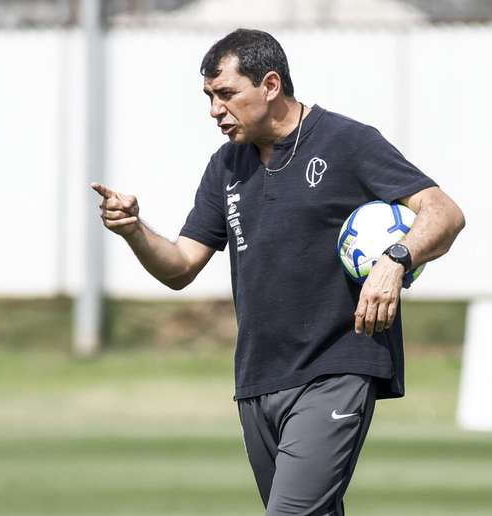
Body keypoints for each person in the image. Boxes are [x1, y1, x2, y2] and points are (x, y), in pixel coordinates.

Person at [91, 28, 465, 515]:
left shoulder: (347, 141)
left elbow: (443, 213)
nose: (214, 110)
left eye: (226, 94)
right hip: (258, 379)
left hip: (336, 368)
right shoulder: (226, 165)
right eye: (208, 97)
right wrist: (134, 230)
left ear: (270, 85)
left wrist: (395, 262)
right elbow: (180, 266)